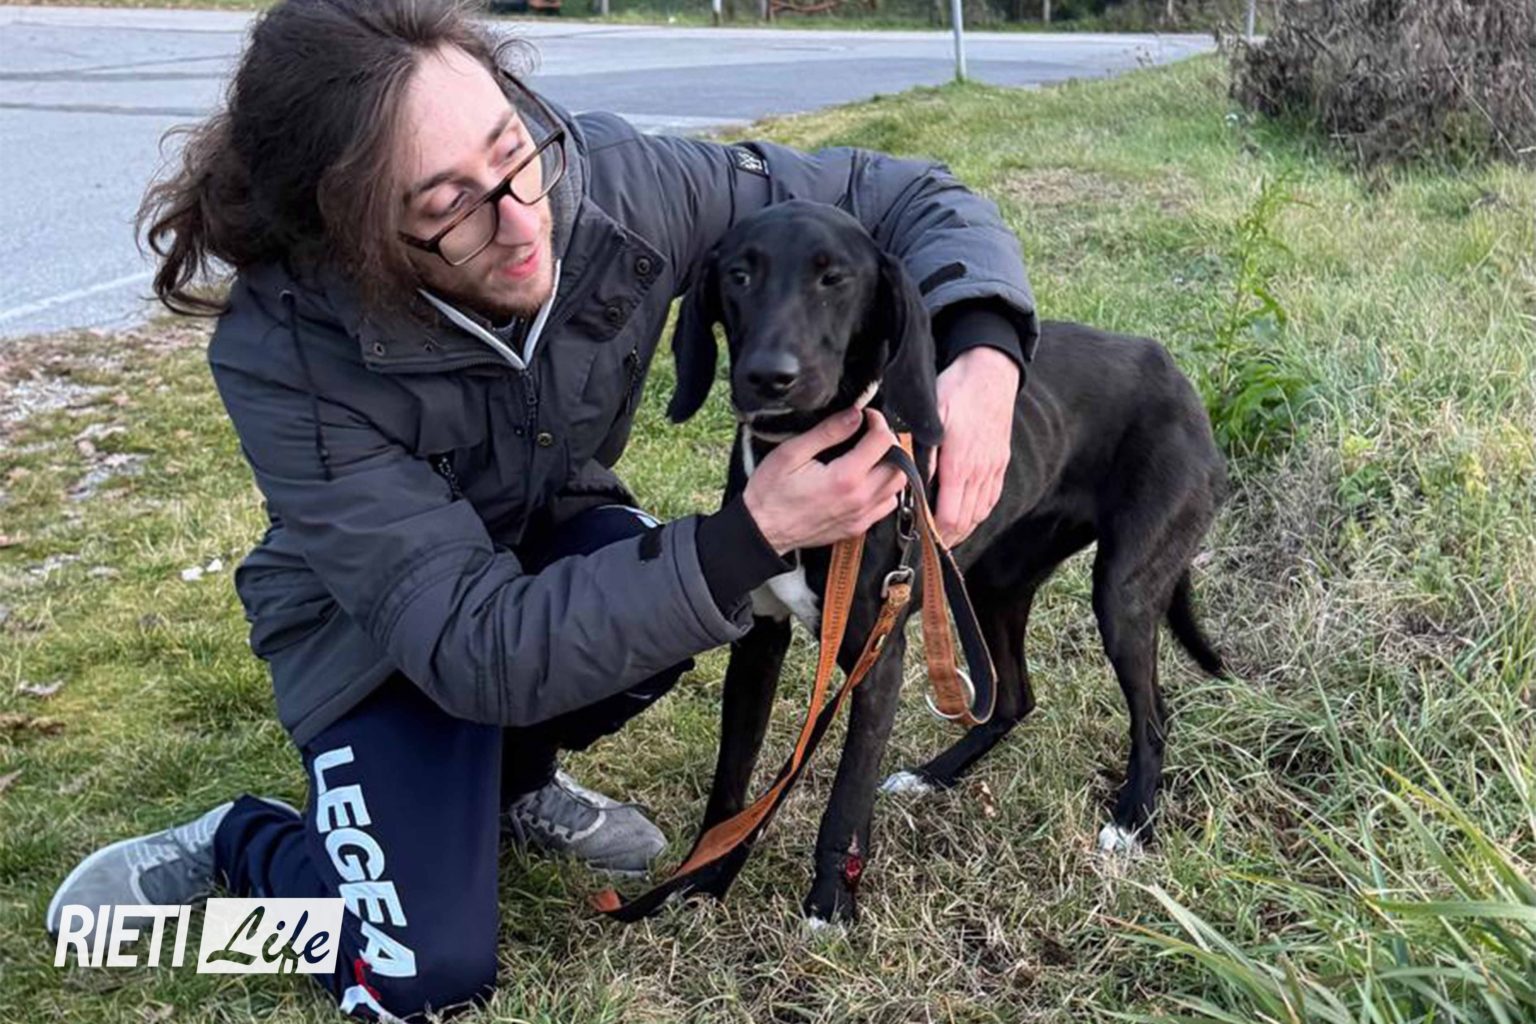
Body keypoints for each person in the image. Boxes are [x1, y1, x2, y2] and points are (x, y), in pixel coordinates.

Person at [45, 0, 1038, 1018]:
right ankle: (247, 841)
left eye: (512, 153)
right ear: (348, 229)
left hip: (537, 543)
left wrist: (986, 349)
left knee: (654, 590)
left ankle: (509, 783)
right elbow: (470, 642)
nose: (527, 222)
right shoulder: (287, 352)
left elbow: (901, 191)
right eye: (450, 207)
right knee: (415, 972)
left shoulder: (610, 187)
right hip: (382, 638)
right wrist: (754, 535)